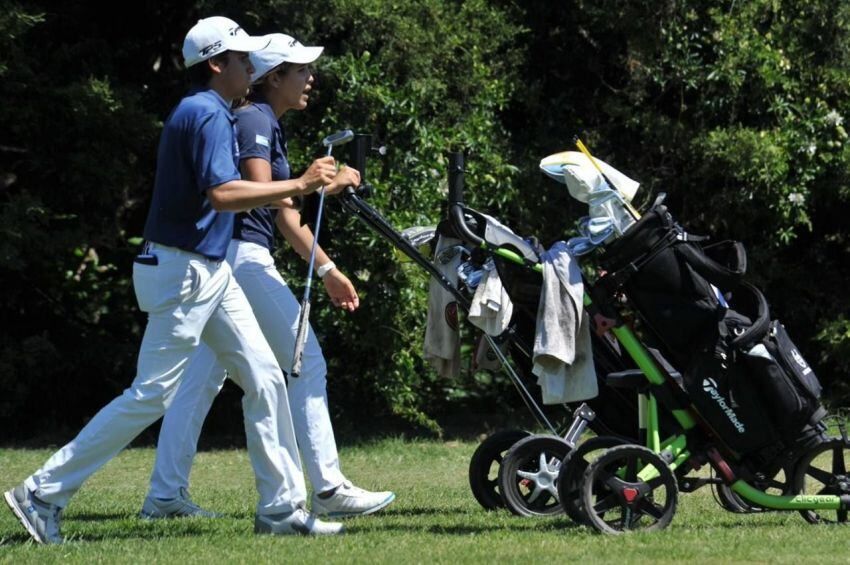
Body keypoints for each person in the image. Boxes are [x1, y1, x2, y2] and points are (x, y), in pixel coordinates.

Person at [3, 16, 349, 544]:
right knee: (150, 395)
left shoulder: (208, 110)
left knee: (265, 377)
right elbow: (224, 195)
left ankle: (281, 510)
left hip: (206, 268)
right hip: (186, 270)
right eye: (241, 59)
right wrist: (300, 183)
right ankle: (42, 492)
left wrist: (293, 187)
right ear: (217, 65)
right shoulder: (207, 114)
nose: (251, 67)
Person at [139, 33, 395, 521]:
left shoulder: (260, 120)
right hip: (243, 259)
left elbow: (283, 208)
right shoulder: (255, 118)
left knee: (199, 382)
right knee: (305, 361)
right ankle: (328, 486)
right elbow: (271, 198)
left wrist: (326, 264)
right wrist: (321, 189)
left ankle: (164, 496)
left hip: (228, 258)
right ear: (272, 76)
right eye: (300, 70)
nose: (310, 78)